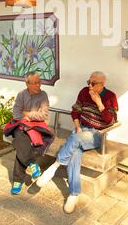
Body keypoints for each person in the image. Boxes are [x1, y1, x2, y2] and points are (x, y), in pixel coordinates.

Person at [37, 71, 118, 213]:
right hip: (81, 129)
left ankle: (54, 166)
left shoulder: (110, 96)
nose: (89, 86)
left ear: (102, 84)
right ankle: (73, 194)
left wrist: (99, 103)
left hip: (96, 134)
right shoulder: (84, 92)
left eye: (93, 84)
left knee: (73, 139)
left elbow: (110, 121)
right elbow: (75, 111)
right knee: (74, 153)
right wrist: (78, 126)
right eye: (88, 82)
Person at [10, 71, 50, 195]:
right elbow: (16, 113)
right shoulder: (21, 95)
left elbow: (44, 115)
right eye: (35, 83)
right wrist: (26, 116)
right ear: (27, 84)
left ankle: (17, 180)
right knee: (22, 139)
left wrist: (27, 114)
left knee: (21, 144)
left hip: (37, 127)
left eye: (39, 82)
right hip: (21, 125)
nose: (39, 85)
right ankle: (32, 164)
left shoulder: (43, 95)